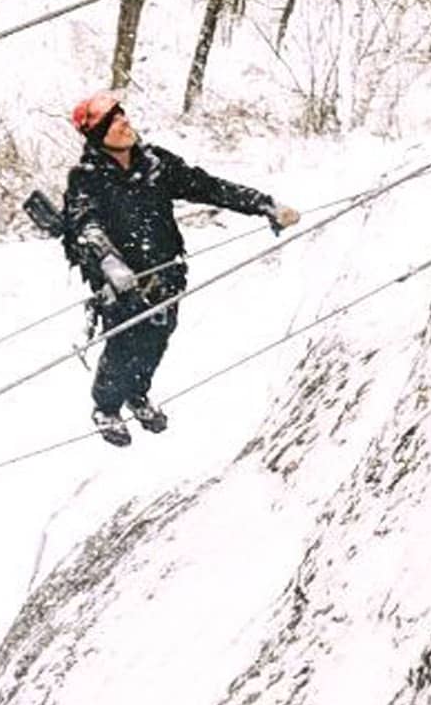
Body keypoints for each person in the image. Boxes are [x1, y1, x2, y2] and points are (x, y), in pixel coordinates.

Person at [62, 91, 299, 446]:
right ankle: (107, 407)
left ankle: (137, 394)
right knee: (124, 342)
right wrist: (110, 262)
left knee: (157, 337)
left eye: (123, 115)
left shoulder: (155, 163)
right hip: (120, 281)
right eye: (113, 120)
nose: (124, 122)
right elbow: (85, 224)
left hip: (165, 271)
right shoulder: (87, 177)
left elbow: (209, 187)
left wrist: (263, 204)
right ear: (99, 136)